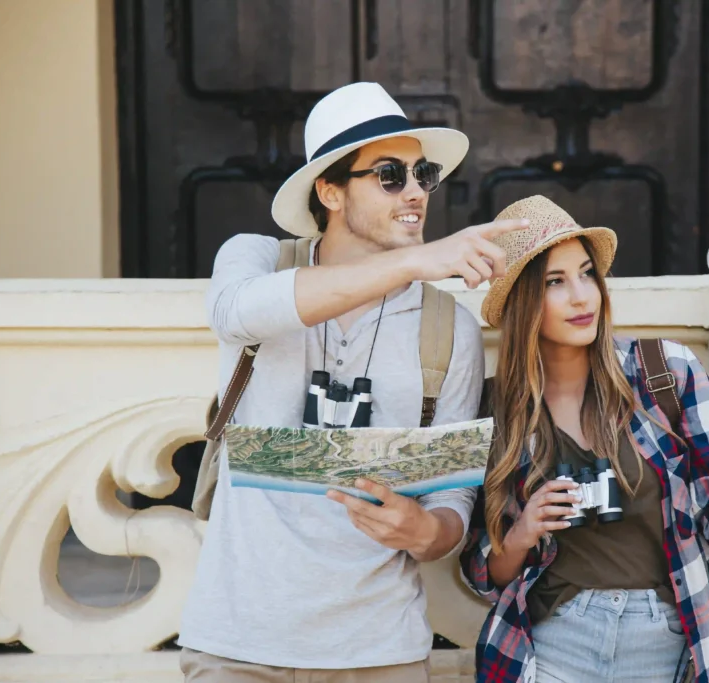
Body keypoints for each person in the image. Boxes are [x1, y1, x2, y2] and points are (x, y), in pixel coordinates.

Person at [177, 82, 528, 682]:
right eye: (390, 175)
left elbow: (452, 502)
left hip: (378, 652)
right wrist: (415, 261)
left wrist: (424, 530)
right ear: (330, 190)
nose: (416, 191)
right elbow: (234, 313)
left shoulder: (448, 329)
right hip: (236, 646)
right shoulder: (256, 258)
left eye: (424, 174)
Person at [459, 196, 709, 683]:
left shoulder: (663, 373)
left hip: (663, 638)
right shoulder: (498, 409)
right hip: (552, 643)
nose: (583, 296)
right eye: (555, 282)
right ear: (524, 301)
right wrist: (524, 530)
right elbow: (485, 576)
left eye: (587, 274)